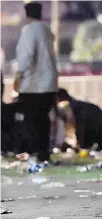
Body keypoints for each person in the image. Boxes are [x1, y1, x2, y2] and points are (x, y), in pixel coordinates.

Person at [13, 2, 58, 161]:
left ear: (26, 14)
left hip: (33, 86)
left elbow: (26, 57)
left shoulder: (29, 30)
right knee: (43, 121)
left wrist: (18, 78)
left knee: (31, 122)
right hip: (49, 85)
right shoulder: (47, 30)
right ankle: (43, 153)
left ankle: (34, 154)